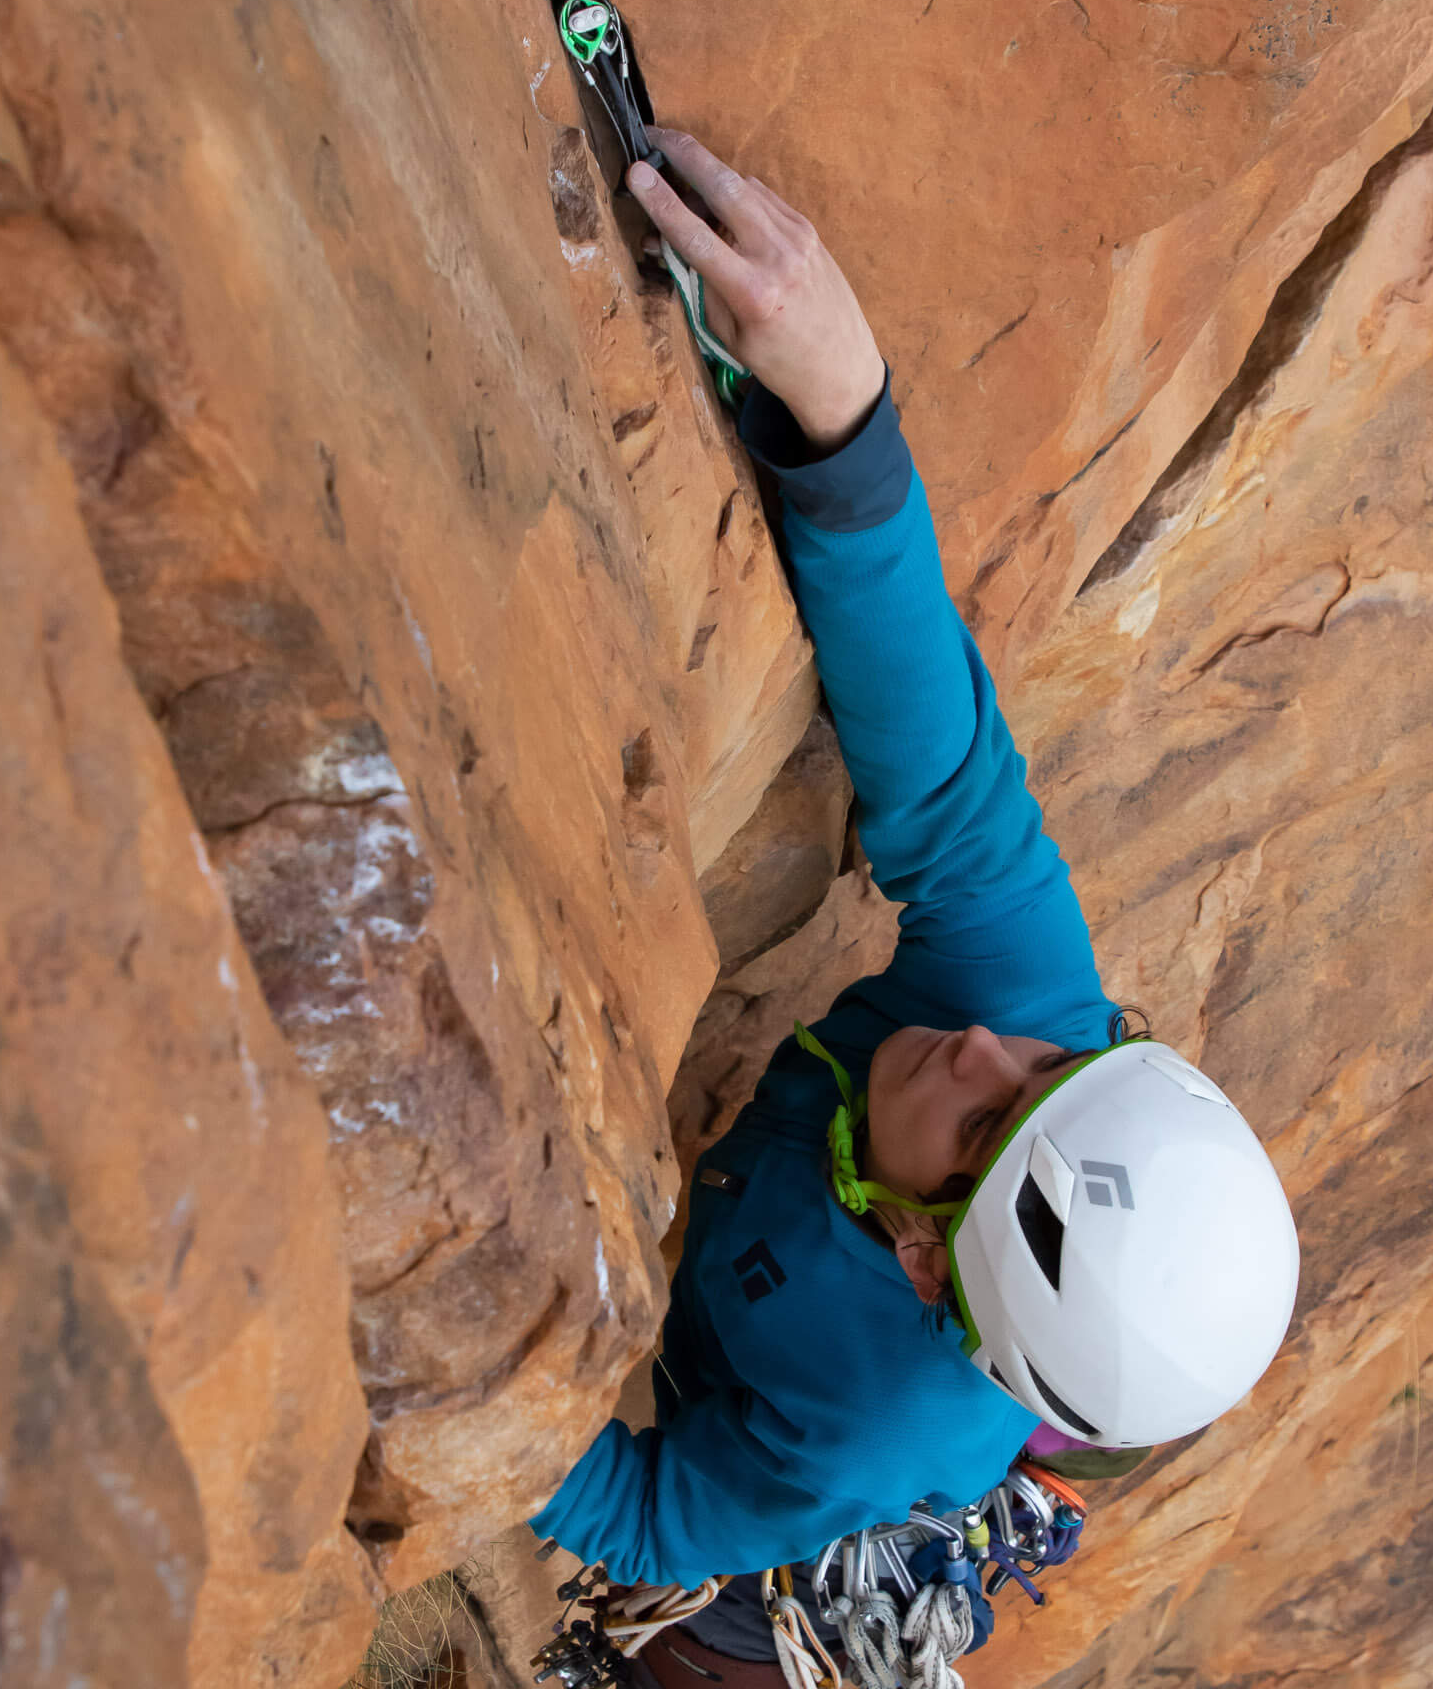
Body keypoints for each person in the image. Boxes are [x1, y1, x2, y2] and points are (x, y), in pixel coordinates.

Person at [530, 127, 1301, 1680]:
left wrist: (490, 1384)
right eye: (1046, 1071)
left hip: (807, 1510)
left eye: (979, 1124)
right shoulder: (1035, 1024)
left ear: (921, 1258)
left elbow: (644, 1515)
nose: (978, 1052)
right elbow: (941, 774)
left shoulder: (868, 1423)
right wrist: (840, 412)